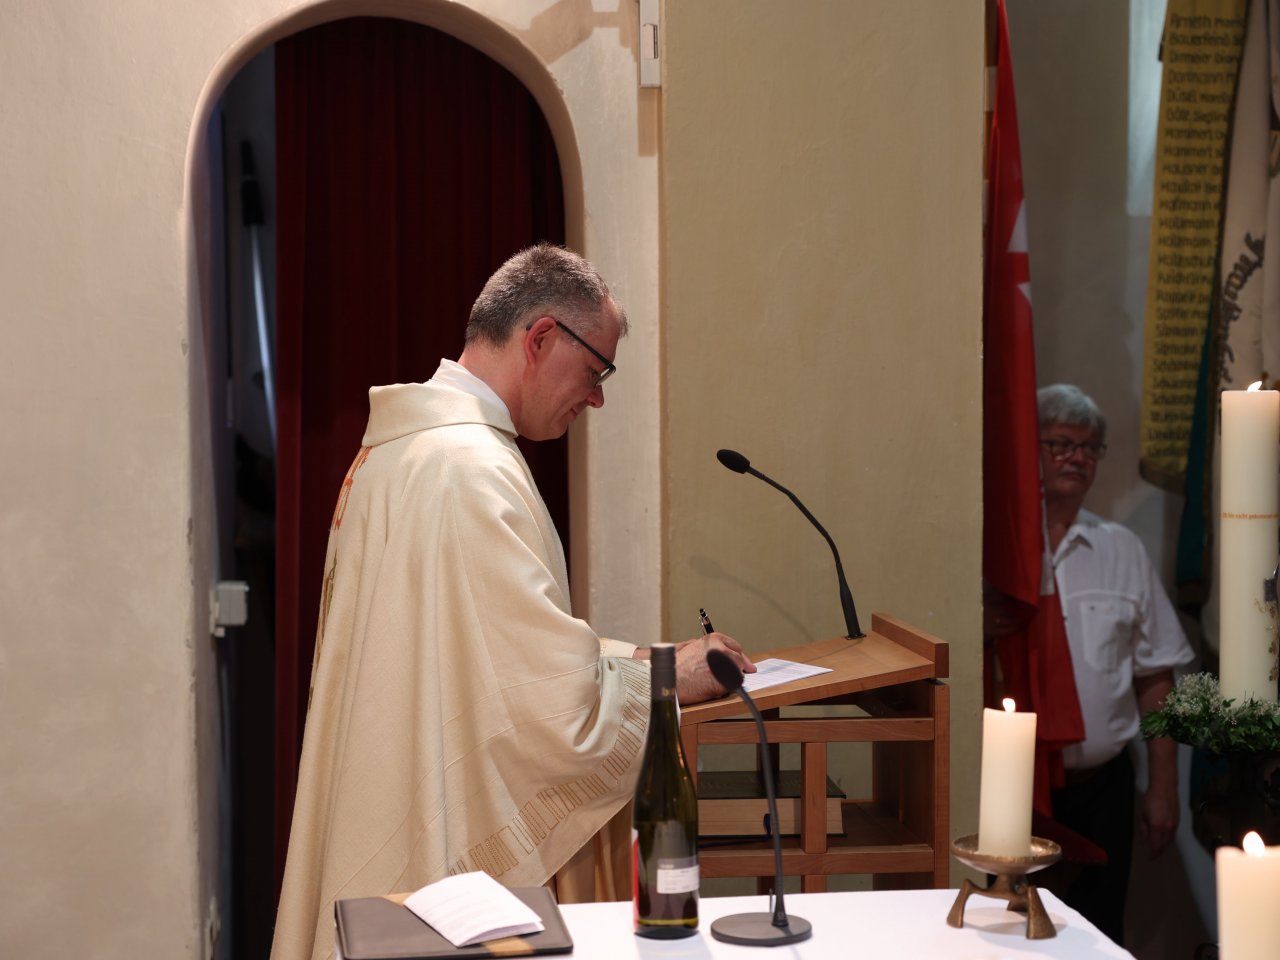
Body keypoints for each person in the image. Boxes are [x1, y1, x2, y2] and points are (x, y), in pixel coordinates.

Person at [270, 244, 754, 960]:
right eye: (595, 372)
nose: (594, 398)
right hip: (438, 878)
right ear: (540, 339)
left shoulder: (399, 454)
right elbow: (546, 709)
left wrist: (649, 659)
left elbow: (499, 657)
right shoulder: (471, 469)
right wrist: (666, 678)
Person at [992, 384, 1194, 946]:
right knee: (1007, 936)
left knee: (1097, 937)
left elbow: (1155, 677)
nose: (1077, 458)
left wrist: (1163, 787)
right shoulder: (995, 549)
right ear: (1027, 448)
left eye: (1089, 447)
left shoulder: (1121, 549)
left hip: (1104, 787)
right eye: (1059, 443)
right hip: (1018, 788)